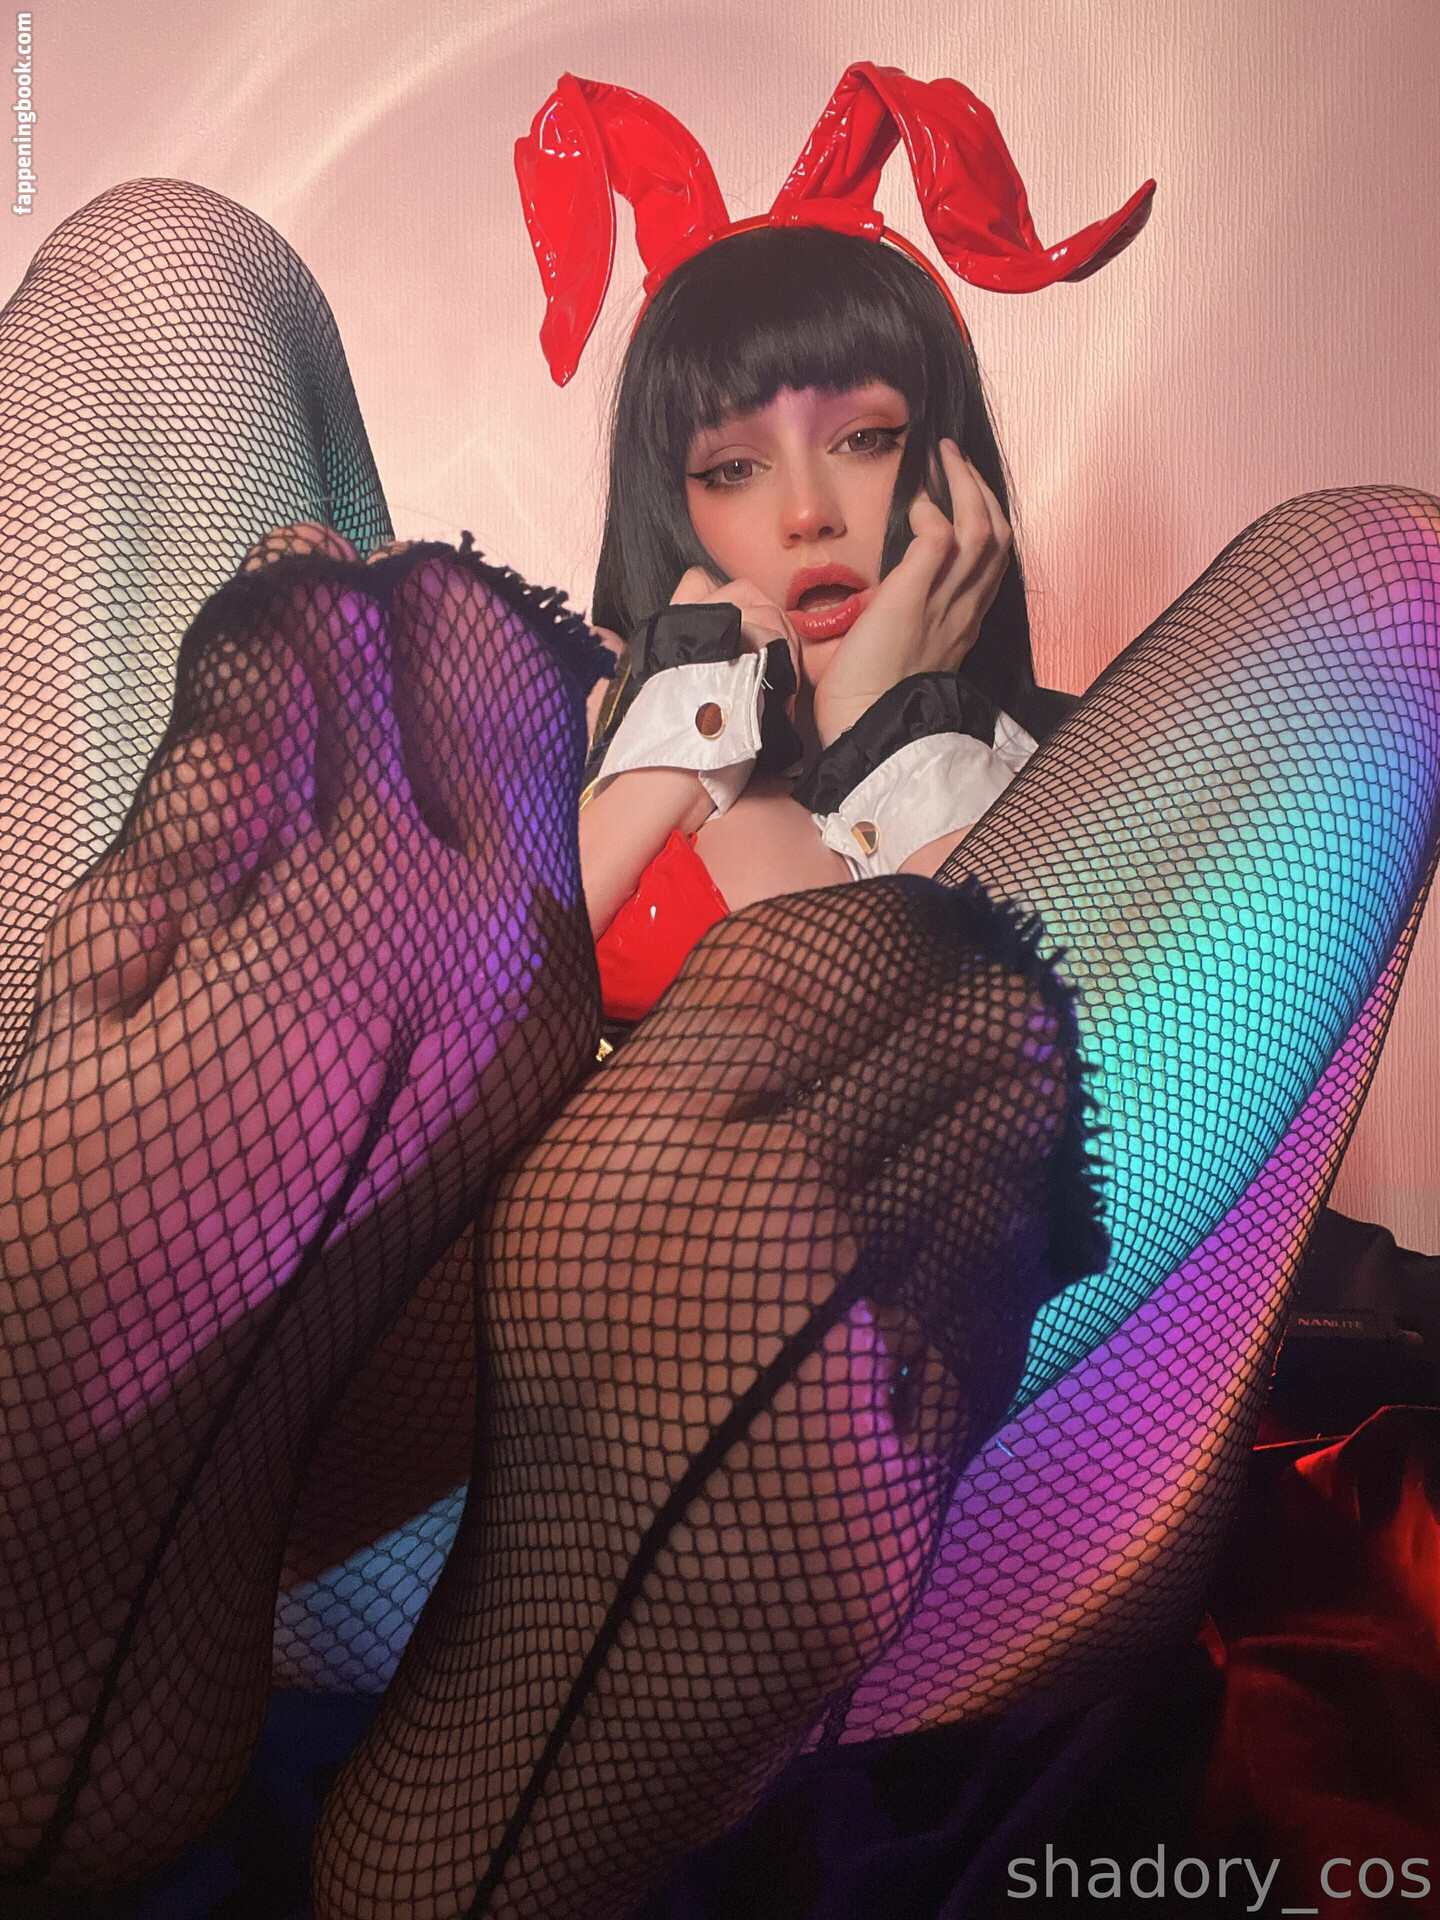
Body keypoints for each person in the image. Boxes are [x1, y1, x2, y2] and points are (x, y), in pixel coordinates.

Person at [1, 69, 1438, 1920]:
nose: (813, 513)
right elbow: (515, 973)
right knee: (167, 268)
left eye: (869, 443)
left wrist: (868, 740)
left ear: (955, 477)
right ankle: (169, 1462)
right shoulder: (574, 732)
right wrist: (670, 759)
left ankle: (203, 1641)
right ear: (666, 506)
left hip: (879, 1487)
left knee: (1388, 589)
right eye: (735, 468)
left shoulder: (1067, 790)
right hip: (381, 1411)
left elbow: (919, 1078)